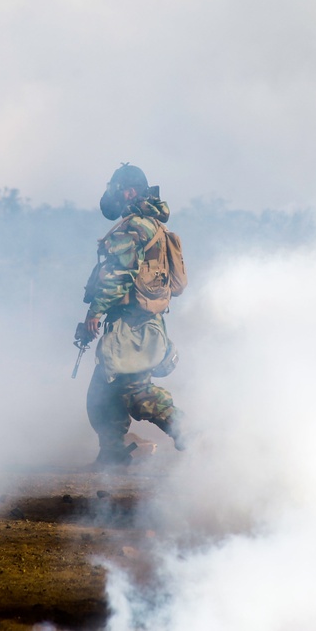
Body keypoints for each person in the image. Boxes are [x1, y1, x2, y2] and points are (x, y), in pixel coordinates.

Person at [78, 163, 189, 466]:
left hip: (132, 326)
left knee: (136, 392)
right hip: (141, 323)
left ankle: (189, 431)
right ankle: (114, 452)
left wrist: (95, 313)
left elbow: (119, 274)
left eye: (117, 188)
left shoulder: (134, 227)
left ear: (129, 190)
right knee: (102, 393)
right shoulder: (152, 225)